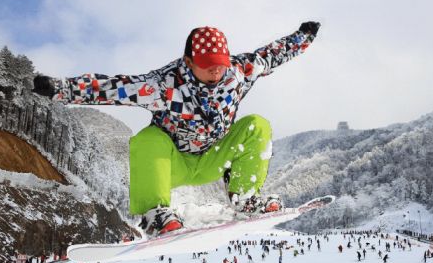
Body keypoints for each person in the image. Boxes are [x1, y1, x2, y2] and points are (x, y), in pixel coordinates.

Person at [34, 22, 321, 234]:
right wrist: (59, 89)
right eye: (207, 66)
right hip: (173, 165)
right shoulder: (161, 85)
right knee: (148, 138)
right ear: (187, 62)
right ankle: (155, 213)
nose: (215, 72)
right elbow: (112, 88)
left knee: (257, 125)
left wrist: (303, 37)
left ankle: (245, 197)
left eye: (219, 65)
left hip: (214, 159)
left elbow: (271, 55)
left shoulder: (238, 72)